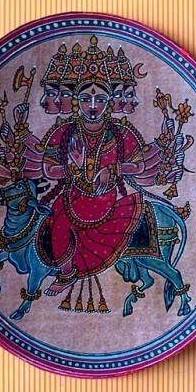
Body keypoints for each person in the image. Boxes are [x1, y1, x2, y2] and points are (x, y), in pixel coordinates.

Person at [38, 76, 147, 295]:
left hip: (103, 197)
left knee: (62, 223)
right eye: (86, 99)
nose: (93, 105)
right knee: (54, 220)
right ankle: (66, 271)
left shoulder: (121, 133)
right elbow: (48, 169)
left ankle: (67, 274)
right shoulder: (65, 132)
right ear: (77, 101)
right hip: (72, 193)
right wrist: (73, 168)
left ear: (109, 102)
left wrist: (113, 169)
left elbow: (139, 166)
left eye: (101, 99)